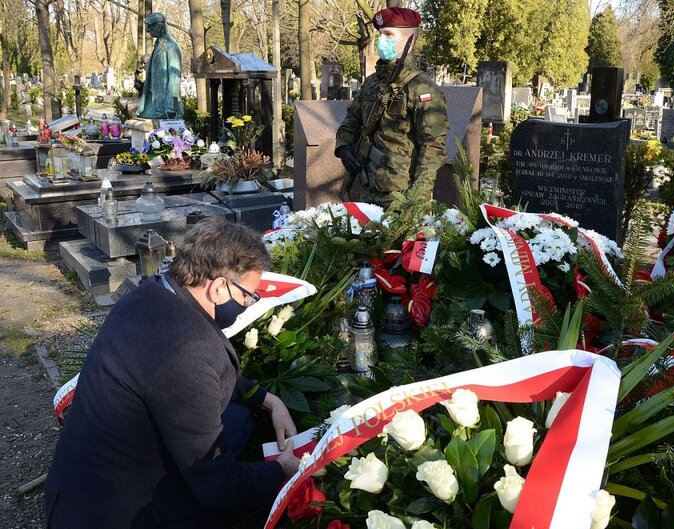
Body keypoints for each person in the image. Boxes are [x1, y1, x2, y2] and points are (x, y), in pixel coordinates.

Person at [45, 218, 300, 529]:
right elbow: (218, 486)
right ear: (219, 287)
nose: (247, 304)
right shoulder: (187, 351)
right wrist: (283, 470)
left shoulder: (153, 293)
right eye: (248, 296)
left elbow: (188, 376)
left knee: (237, 419)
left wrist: (268, 400)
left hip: (81, 483)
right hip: (119, 512)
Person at [334, 7, 449, 208]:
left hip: (400, 195)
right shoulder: (371, 83)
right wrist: (343, 146)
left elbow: (432, 147)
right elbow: (353, 117)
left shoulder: (421, 88)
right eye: (380, 34)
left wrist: (417, 198)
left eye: (389, 34)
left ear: (410, 40)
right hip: (365, 186)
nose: (382, 40)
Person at [137, 12, 184, 119]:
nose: (147, 30)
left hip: (165, 106)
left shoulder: (171, 46)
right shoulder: (158, 44)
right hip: (154, 101)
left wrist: (170, 106)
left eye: (150, 27)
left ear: (159, 26)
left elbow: (174, 76)